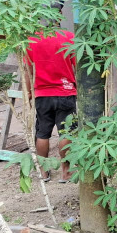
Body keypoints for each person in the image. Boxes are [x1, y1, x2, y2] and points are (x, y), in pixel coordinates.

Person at [24, 28, 76, 182]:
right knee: (66, 133)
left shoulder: (31, 40)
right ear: (59, 14)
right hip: (66, 92)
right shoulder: (69, 37)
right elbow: (77, 67)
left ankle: (43, 171)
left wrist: (28, 93)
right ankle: (66, 172)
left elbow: (28, 70)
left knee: (42, 133)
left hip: (42, 95)